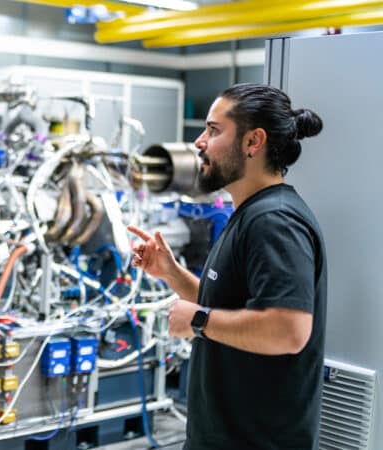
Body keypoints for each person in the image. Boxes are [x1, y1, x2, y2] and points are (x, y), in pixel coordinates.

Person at [128, 83, 326, 449]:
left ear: (253, 142)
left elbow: (289, 329)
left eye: (213, 130)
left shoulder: (275, 221)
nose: (199, 142)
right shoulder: (248, 213)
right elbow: (228, 304)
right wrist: (171, 273)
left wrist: (198, 321)